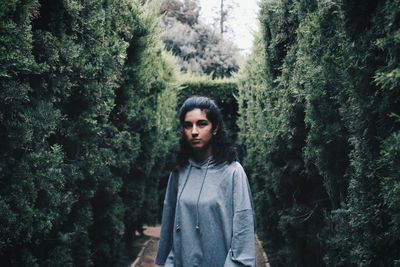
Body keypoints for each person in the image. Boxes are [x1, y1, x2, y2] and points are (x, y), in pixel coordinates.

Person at [155, 96, 256, 267]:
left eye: (202, 124)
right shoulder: (179, 171)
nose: (194, 131)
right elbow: (169, 224)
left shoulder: (233, 172)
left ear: (215, 127)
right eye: (188, 125)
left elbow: (243, 229)